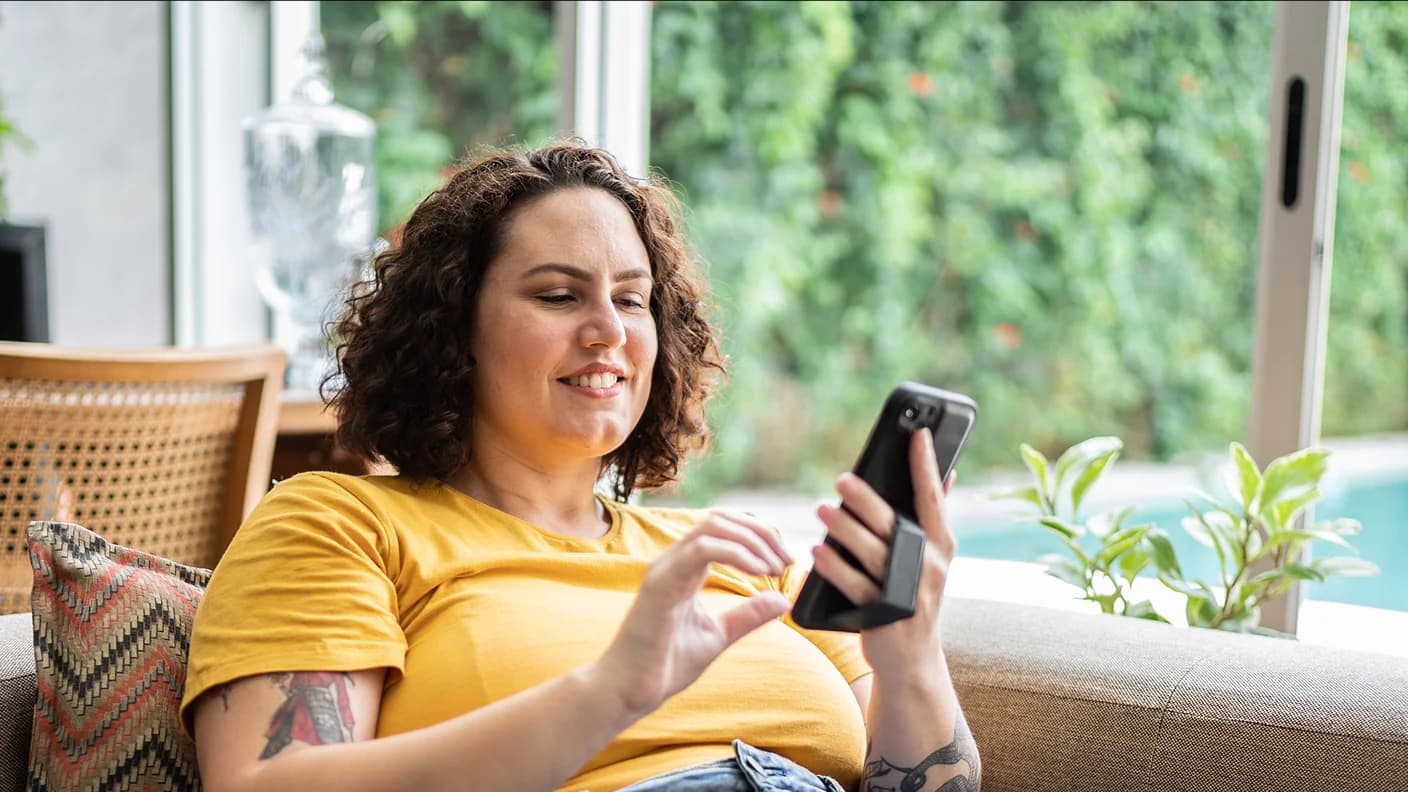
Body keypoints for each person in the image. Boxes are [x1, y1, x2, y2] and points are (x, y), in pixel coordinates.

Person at [181, 143, 981, 792]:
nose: (608, 331)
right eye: (560, 296)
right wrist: (608, 695)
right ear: (453, 330)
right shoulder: (341, 524)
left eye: (632, 301)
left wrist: (910, 655)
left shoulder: (733, 554)